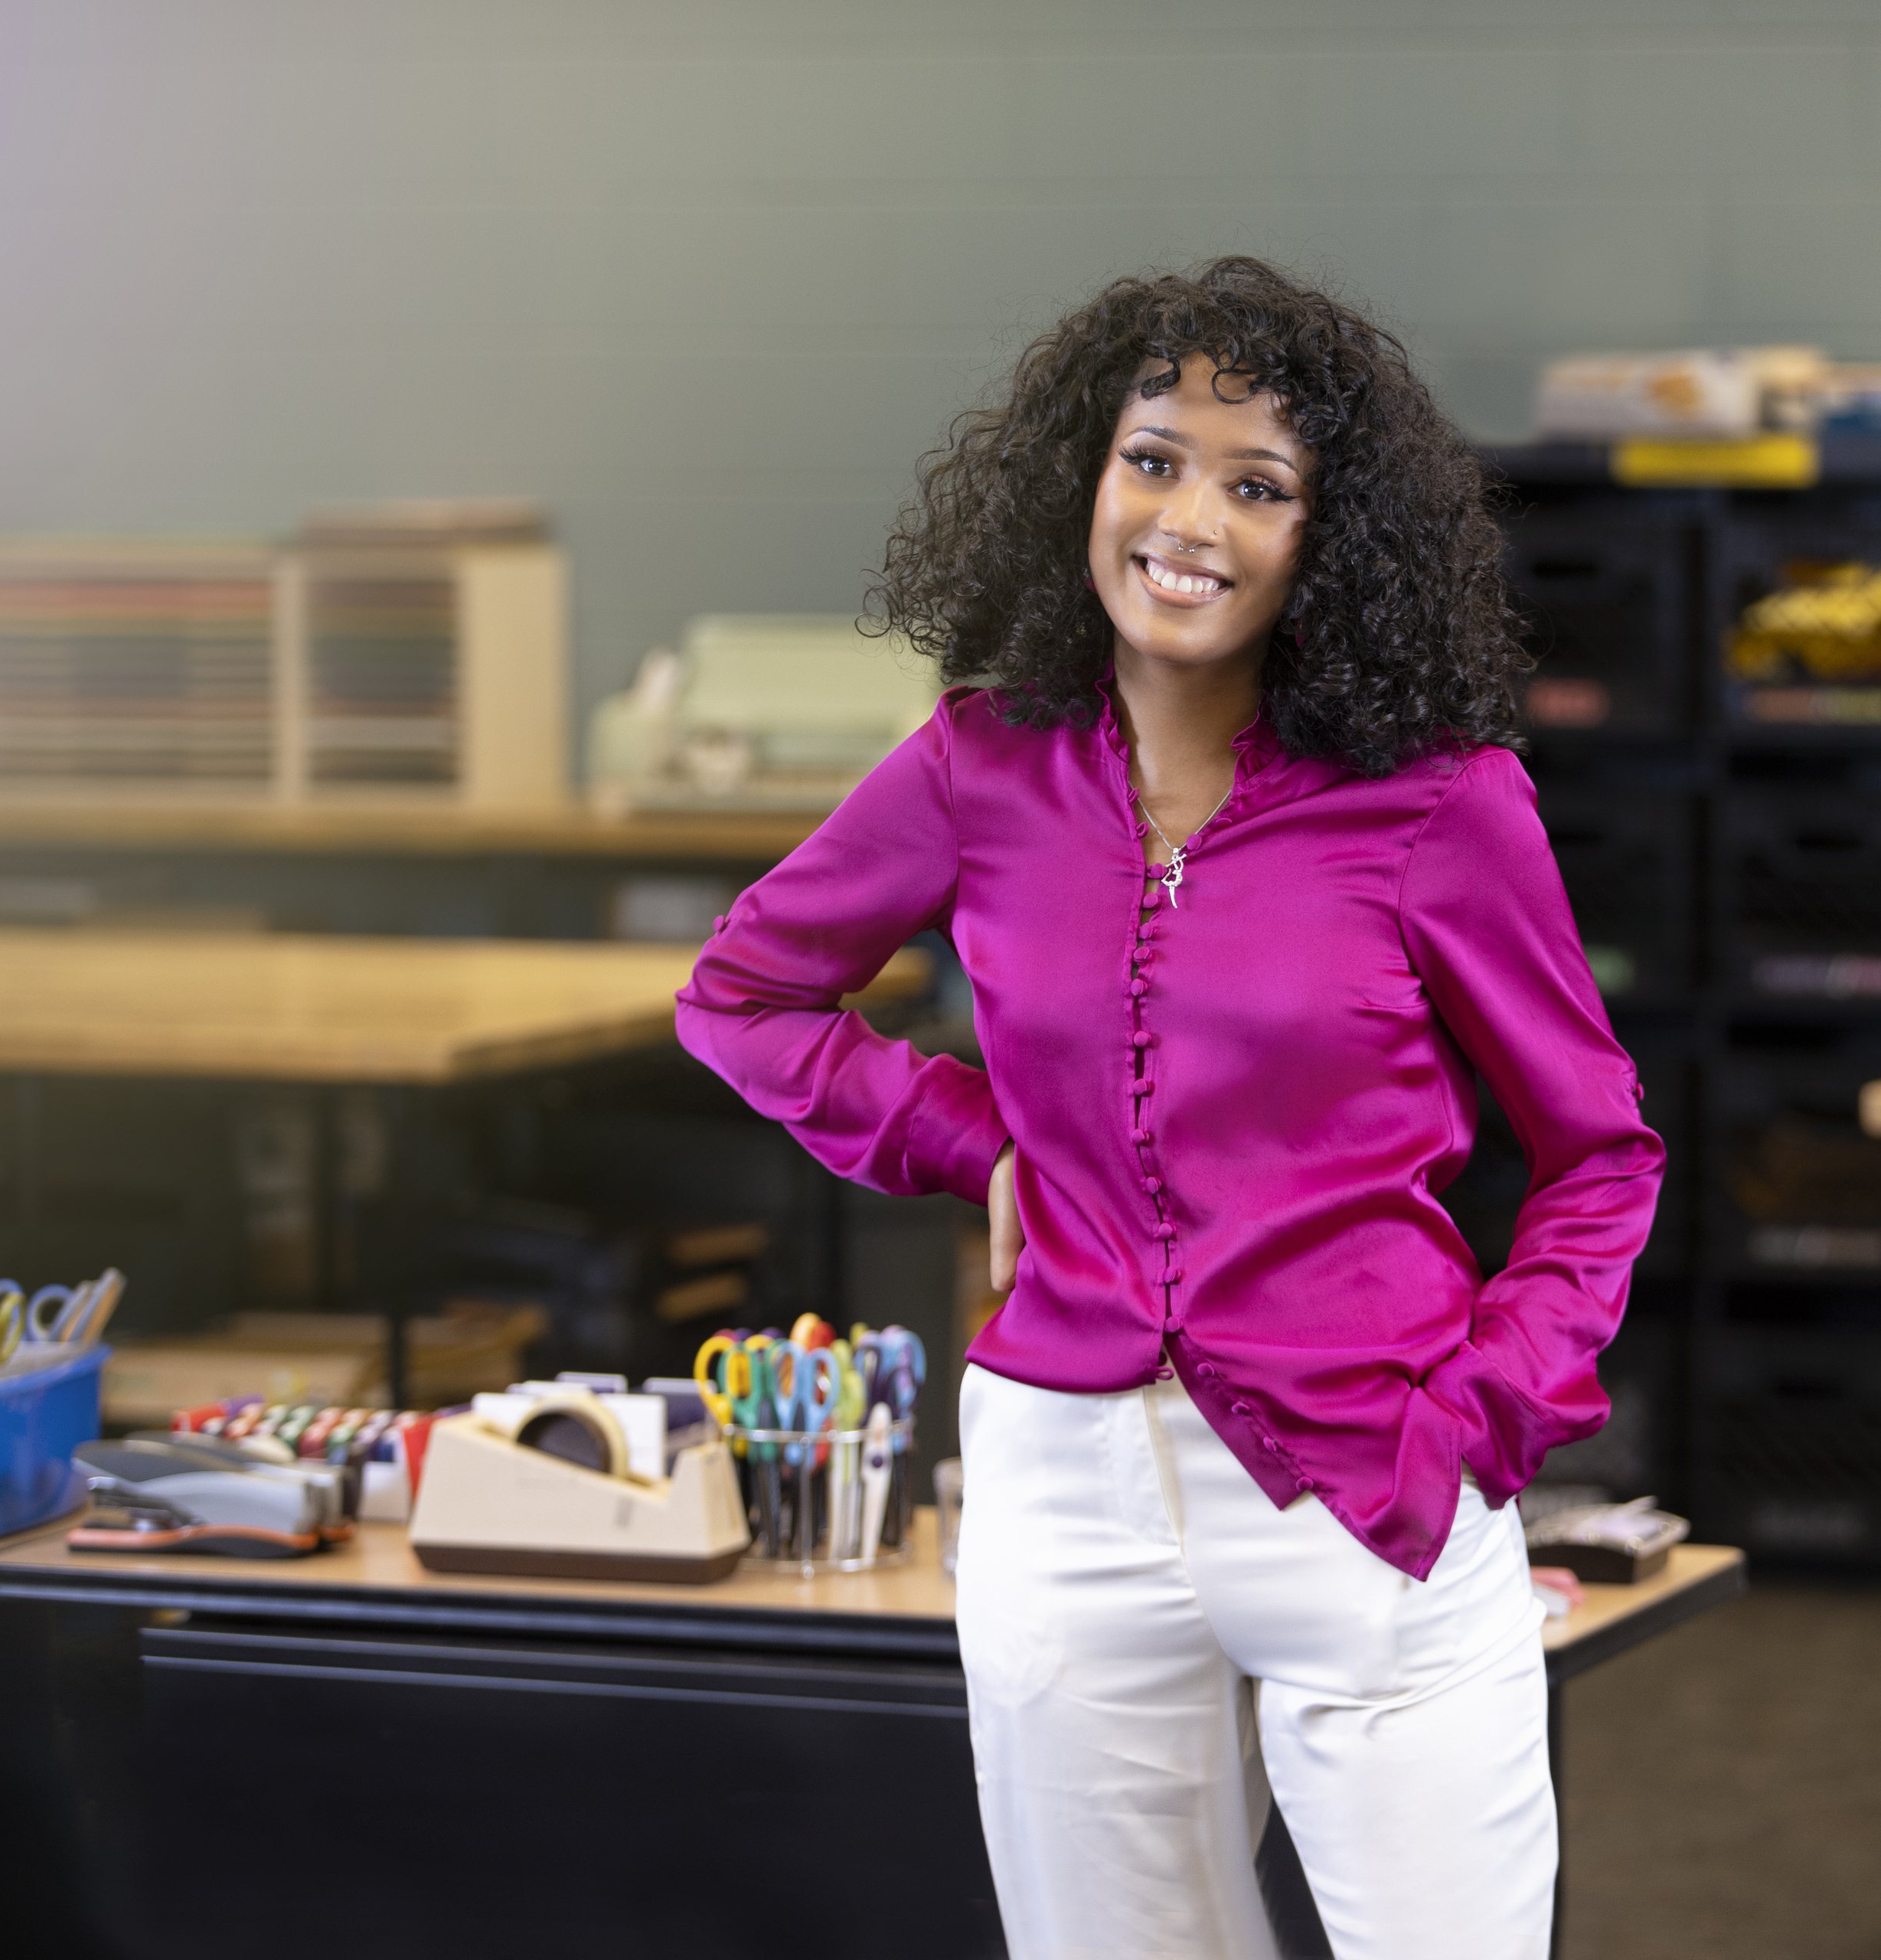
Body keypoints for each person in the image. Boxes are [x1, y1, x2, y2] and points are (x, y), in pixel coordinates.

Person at [676, 256, 1663, 1960]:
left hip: (1372, 1481)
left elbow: (1598, 1152)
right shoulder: (977, 763)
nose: (1188, 516)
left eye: (1258, 484)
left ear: (1326, 543)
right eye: (1153, 458)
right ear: (1084, 476)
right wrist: (980, 1136)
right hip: (1066, 1487)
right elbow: (744, 995)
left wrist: (1488, 1412)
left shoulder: (1439, 802)